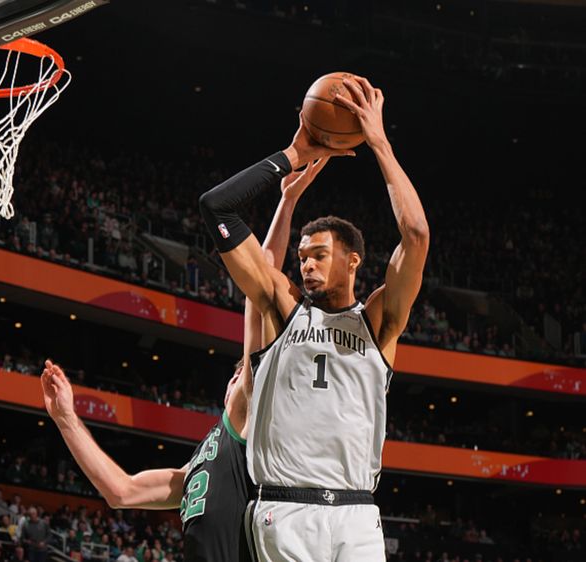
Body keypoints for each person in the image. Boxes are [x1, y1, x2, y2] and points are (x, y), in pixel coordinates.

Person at [41, 159, 327, 562]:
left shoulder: (247, 414)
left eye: (247, 371)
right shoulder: (201, 463)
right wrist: (65, 418)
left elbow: (261, 280)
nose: (245, 374)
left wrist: (288, 202)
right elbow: (120, 491)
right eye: (242, 371)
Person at [199, 76, 429, 561]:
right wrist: (293, 156)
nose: (305, 265)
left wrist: (379, 143)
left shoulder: (379, 323)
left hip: (358, 514)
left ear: (353, 261)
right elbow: (217, 207)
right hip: (285, 509)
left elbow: (416, 234)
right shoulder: (281, 310)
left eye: (319, 255)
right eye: (302, 257)